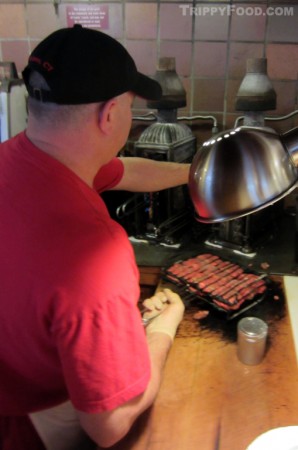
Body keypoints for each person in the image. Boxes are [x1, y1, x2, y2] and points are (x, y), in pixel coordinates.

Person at [0, 24, 189, 450]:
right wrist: (164, 328)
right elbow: (109, 424)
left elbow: (127, 171)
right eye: (129, 106)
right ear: (109, 115)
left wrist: (196, 174)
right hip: (28, 429)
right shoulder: (96, 254)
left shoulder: (21, 158)